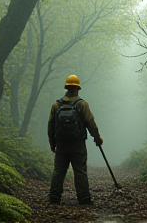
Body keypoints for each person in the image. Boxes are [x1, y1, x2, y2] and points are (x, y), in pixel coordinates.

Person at [48, 74, 103, 205]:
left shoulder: (56, 106)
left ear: (66, 87)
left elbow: (51, 126)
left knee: (59, 171)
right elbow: (90, 122)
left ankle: (54, 197)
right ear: (78, 88)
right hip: (78, 144)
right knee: (80, 171)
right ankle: (84, 198)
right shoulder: (82, 104)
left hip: (61, 144)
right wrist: (97, 138)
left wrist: (52, 143)